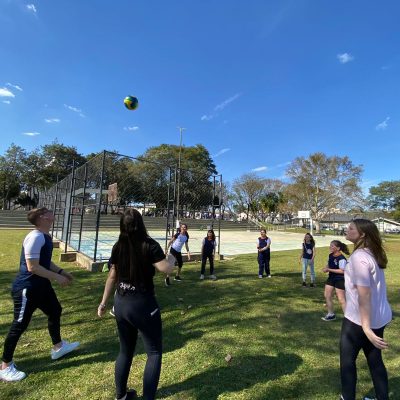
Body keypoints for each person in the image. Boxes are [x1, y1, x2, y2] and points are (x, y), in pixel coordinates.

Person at [98, 209, 174, 400]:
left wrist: (103, 302)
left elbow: (112, 276)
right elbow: (166, 268)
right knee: (154, 353)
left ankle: (121, 396)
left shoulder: (118, 246)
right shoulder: (149, 244)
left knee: (125, 351)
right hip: (143, 306)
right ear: (140, 223)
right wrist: (171, 258)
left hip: (121, 305)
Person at [0, 208, 79, 382]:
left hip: (42, 286)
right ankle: (5, 366)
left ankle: (58, 347)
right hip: (27, 288)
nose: (53, 214)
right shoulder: (35, 236)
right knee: (19, 324)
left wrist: (62, 271)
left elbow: (44, 262)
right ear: (42, 218)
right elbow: (32, 267)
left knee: (55, 311)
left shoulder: (45, 237)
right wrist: (57, 277)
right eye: (49, 212)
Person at [340, 219, 392, 400]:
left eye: (351, 228)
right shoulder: (371, 253)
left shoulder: (359, 258)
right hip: (379, 317)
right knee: (375, 360)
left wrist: (367, 328)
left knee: (347, 362)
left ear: (362, 234)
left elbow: (364, 295)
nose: (347, 230)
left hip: (359, 321)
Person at [321, 240, 349, 321]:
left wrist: (329, 269)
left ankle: (348, 318)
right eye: (330, 245)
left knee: (341, 299)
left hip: (340, 279)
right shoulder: (331, 255)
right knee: (327, 295)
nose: (330, 247)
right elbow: (329, 263)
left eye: (332, 246)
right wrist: (326, 267)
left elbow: (342, 271)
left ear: (338, 248)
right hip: (331, 278)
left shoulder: (342, 258)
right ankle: (331, 314)